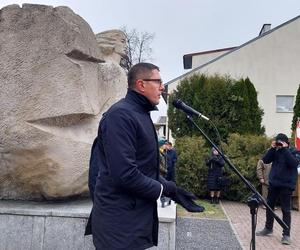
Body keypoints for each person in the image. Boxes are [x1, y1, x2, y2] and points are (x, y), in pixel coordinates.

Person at [90, 62, 204, 250]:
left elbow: (143, 168)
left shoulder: (140, 114)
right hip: (119, 223)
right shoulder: (120, 116)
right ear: (141, 84)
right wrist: (161, 190)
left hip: (133, 219)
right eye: (158, 81)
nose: (162, 87)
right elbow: (125, 174)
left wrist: (171, 189)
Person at [256, 133, 298, 245]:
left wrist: (285, 149)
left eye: (281, 142)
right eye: (277, 142)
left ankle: (286, 235)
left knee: (286, 210)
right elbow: (265, 160)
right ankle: (268, 228)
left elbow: (294, 164)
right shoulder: (275, 151)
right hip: (274, 184)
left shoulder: (294, 152)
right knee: (269, 207)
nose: (279, 144)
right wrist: (272, 148)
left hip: (286, 185)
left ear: (287, 143)